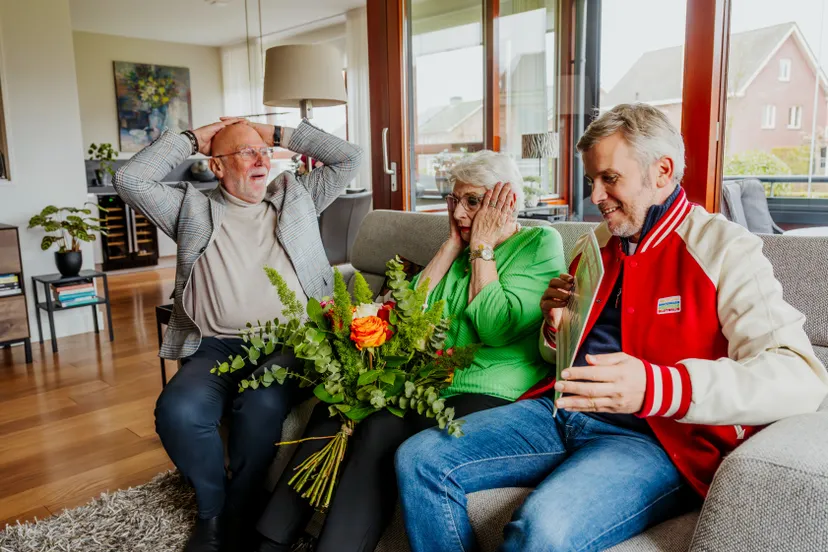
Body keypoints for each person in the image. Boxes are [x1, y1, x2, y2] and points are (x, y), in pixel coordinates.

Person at [394, 103, 828, 552]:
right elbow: (558, 357)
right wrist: (554, 329)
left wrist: (655, 386)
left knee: (541, 528)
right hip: (561, 412)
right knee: (420, 459)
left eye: (609, 179)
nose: (596, 196)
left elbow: (800, 376)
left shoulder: (725, 248)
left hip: (652, 439)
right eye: (592, 181)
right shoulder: (597, 245)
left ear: (661, 171)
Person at [254, 151, 567, 552]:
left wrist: (483, 248)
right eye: (456, 201)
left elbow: (496, 326)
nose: (460, 213)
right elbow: (405, 318)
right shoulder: (459, 248)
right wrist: (451, 247)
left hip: (491, 391)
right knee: (335, 409)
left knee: (379, 428)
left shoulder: (539, 243)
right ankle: (271, 540)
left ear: (504, 202)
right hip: (430, 384)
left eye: (474, 201)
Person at [113, 118, 363, 552]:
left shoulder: (297, 197)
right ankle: (213, 515)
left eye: (264, 151)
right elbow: (129, 178)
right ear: (216, 167)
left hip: (294, 343)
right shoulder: (189, 208)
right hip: (216, 346)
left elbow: (351, 157)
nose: (261, 159)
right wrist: (192, 138)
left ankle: (243, 510)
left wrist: (277, 134)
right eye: (246, 152)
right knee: (179, 411)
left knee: (260, 403)